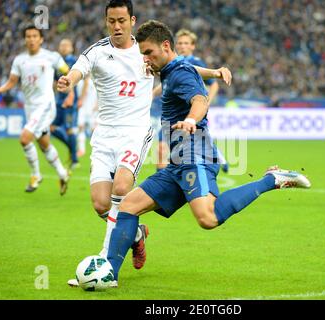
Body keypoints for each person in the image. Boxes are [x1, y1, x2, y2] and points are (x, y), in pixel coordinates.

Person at [105, 20, 311, 282]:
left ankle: (272, 180)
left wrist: (191, 119)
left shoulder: (178, 73)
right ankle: (109, 273)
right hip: (178, 162)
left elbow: (199, 100)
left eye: (148, 52)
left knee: (208, 217)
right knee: (129, 206)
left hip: (195, 155)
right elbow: (191, 68)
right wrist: (213, 72)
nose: (145, 59)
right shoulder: (173, 68)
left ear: (165, 46)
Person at [58, 0, 230, 287]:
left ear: (132, 20)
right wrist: (70, 80)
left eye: (121, 20)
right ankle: (135, 234)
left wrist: (213, 72)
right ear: (106, 21)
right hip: (105, 134)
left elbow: (180, 69)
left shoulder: (146, 52)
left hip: (136, 131)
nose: (116, 26)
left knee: (122, 189)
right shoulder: (98, 52)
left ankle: (105, 262)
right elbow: (79, 68)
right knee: (101, 203)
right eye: (111, 20)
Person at [0, 25, 70, 195]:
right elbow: (13, 81)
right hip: (30, 106)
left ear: (41, 39)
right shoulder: (20, 60)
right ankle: (63, 174)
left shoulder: (52, 57)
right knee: (43, 144)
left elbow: (67, 72)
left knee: (25, 138)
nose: (31, 39)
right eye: (28, 36)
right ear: (25, 39)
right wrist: (2, 89)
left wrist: (69, 91)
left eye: (35, 36)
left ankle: (36, 175)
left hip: (45, 105)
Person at [153, 28, 229, 173]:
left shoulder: (195, 62)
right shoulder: (171, 63)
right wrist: (152, 94)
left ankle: (216, 160)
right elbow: (166, 84)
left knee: (195, 143)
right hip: (171, 114)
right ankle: (162, 183)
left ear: (192, 46)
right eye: (180, 43)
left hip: (188, 112)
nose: (182, 46)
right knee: (162, 148)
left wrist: (206, 102)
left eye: (186, 43)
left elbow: (214, 84)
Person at [51, 39, 80, 170]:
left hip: (69, 101)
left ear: (71, 48)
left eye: (66, 45)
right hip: (58, 101)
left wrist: (71, 96)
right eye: (61, 45)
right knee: (51, 127)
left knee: (69, 129)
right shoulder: (58, 63)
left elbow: (73, 80)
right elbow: (54, 82)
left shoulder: (73, 61)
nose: (63, 47)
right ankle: (72, 147)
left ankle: (74, 160)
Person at [76, 75, 98, 158]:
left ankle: (96, 150)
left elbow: (98, 94)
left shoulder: (93, 81)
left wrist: (97, 105)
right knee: (81, 127)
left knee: (94, 130)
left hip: (90, 108)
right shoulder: (81, 81)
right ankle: (81, 150)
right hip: (84, 108)